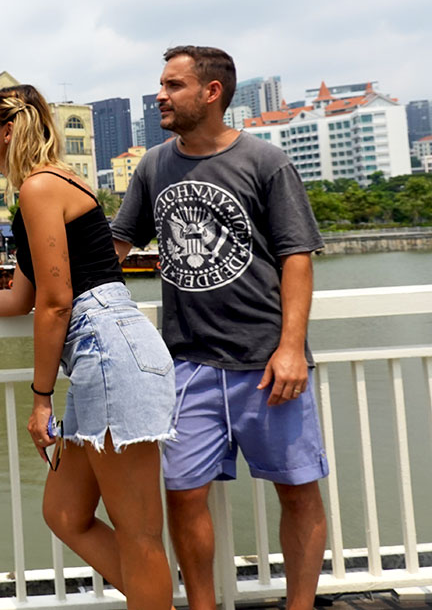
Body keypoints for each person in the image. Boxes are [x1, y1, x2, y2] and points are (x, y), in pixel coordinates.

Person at [0, 84, 176, 610]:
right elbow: (20, 298)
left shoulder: (39, 188)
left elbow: (56, 303)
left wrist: (40, 398)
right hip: (102, 354)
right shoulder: (42, 188)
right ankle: (154, 600)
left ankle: (154, 600)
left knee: (139, 534)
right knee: (64, 514)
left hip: (109, 352)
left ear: (8, 131)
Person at [110, 46, 328, 610]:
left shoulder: (266, 161)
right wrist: (49, 284)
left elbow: (297, 257)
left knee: (298, 492)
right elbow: (117, 246)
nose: (160, 94)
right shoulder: (154, 164)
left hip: (267, 363)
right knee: (183, 496)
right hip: (186, 363)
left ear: (211, 93)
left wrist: (291, 349)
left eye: (173, 85)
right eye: (161, 84)